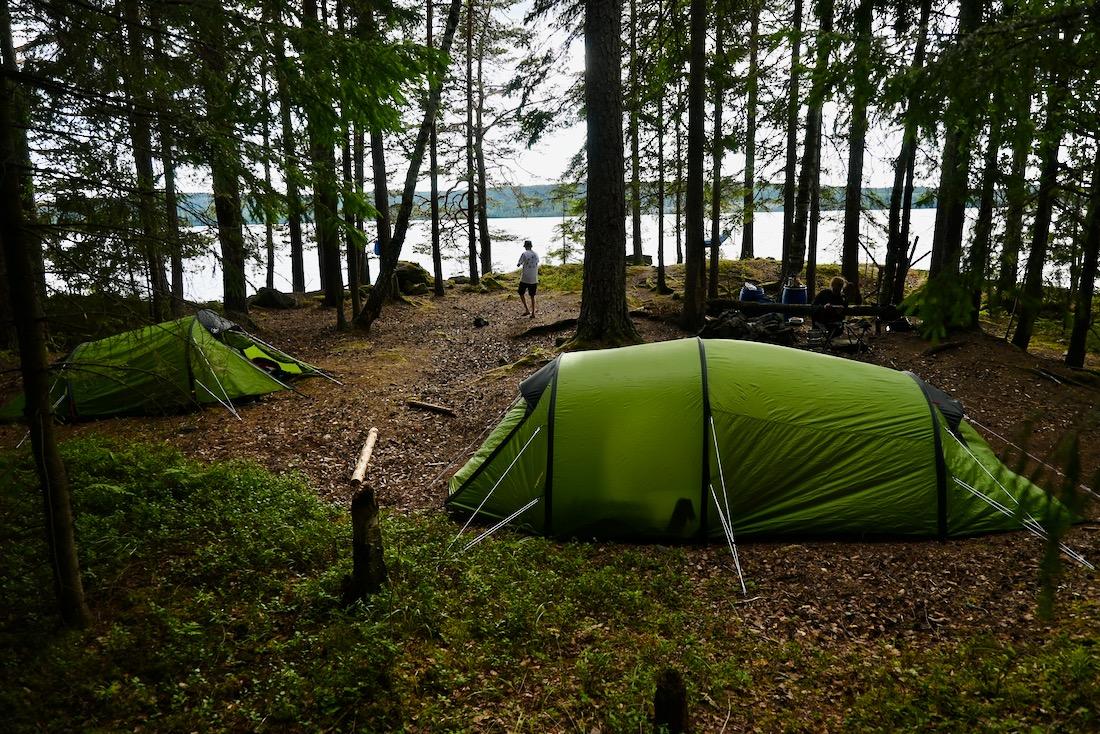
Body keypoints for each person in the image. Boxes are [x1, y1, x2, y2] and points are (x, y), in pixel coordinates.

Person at [517, 239, 539, 318]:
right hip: (534, 278)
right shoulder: (536, 254)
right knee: (532, 296)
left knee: (521, 293)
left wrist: (520, 264)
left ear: (525, 246)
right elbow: (537, 262)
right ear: (531, 246)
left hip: (525, 278)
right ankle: (533, 313)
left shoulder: (524, 254)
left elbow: (518, 264)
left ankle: (527, 310)